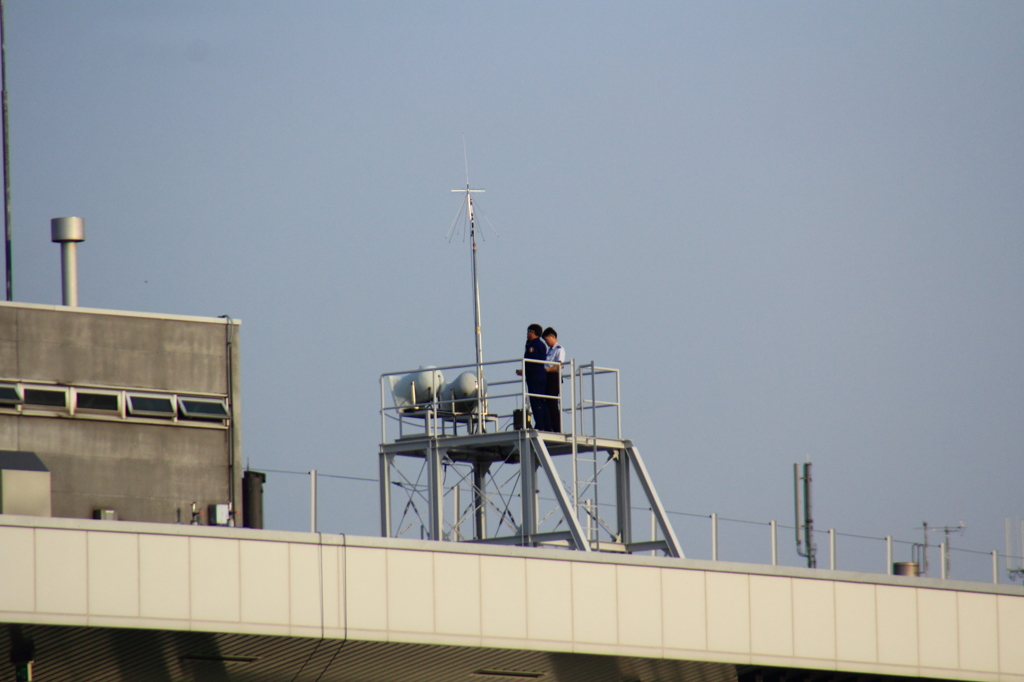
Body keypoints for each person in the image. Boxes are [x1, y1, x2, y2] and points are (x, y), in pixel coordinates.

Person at [516, 323, 550, 430]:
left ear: (533, 332)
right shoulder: (542, 345)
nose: (527, 333)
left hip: (534, 376)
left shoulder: (533, 345)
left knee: (536, 401)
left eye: (528, 331)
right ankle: (546, 424)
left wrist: (524, 371)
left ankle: (540, 424)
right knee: (542, 401)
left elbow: (532, 363)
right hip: (541, 375)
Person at [543, 327, 565, 432]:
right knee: (546, 403)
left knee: (552, 404)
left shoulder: (559, 349)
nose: (546, 342)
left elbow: (559, 365)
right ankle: (548, 426)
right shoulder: (549, 351)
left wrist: (547, 370)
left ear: (552, 337)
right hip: (546, 378)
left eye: (547, 340)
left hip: (553, 377)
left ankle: (556, 428)